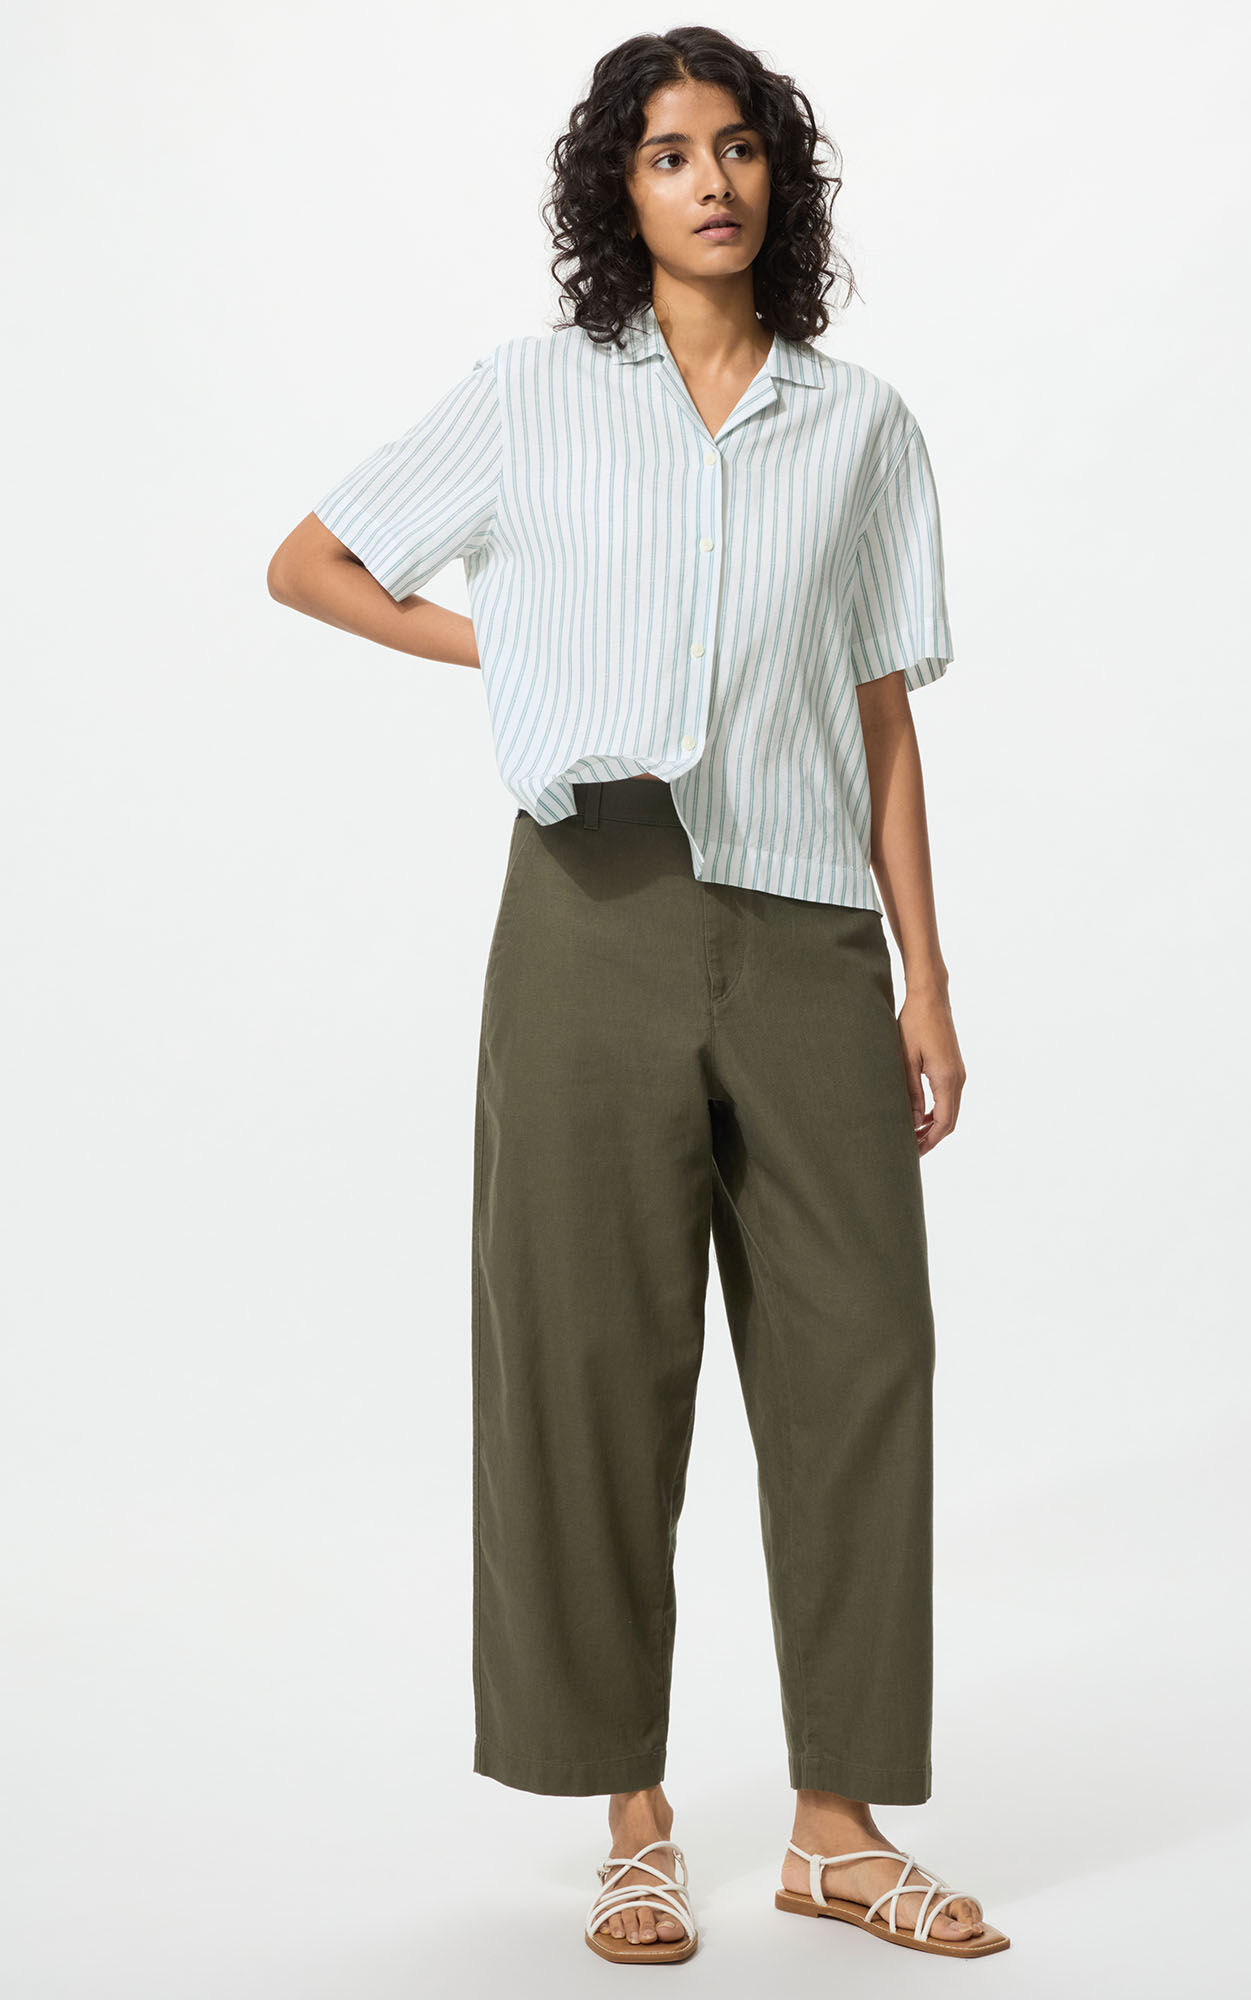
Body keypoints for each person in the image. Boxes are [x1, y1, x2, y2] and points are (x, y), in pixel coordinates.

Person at [266, 24, 1007, 1966]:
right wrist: (510, 653)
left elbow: (883, 712)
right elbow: (313, 557)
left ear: (783, 181)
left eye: (740, 145)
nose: (711, 179)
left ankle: (837, 1828)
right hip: (590, 911)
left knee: (866, 1355)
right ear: (620, 189)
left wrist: (929, 971)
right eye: (669, 151)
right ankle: (635, 1817)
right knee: (593, 1360)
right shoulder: (531, 399)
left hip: (806, 931)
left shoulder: (860, 428)